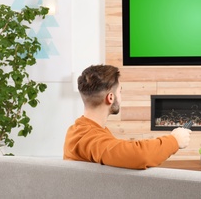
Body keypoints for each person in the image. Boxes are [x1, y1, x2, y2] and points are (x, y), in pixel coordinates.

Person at [63, 64, 191, 169]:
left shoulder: (79, 130)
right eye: (120, 91)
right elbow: (140, 155)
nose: (121, 95)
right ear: (110, 98)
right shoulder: (89, 138)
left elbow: (119, 149)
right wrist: (175, 140)